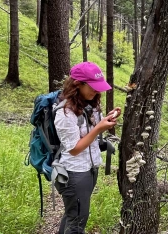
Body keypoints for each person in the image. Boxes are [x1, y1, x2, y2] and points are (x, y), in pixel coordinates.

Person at [53, 61, 121, 234]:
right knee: (76, 223)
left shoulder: (89, 104)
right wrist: (100, 128)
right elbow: (74, 148)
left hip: (89, 169)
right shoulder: (65, 112)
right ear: (78, 84)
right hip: (74, 172)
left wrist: (107, 118)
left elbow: (89, 132)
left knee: (73, 215)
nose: (97, 91)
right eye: (93, 86)